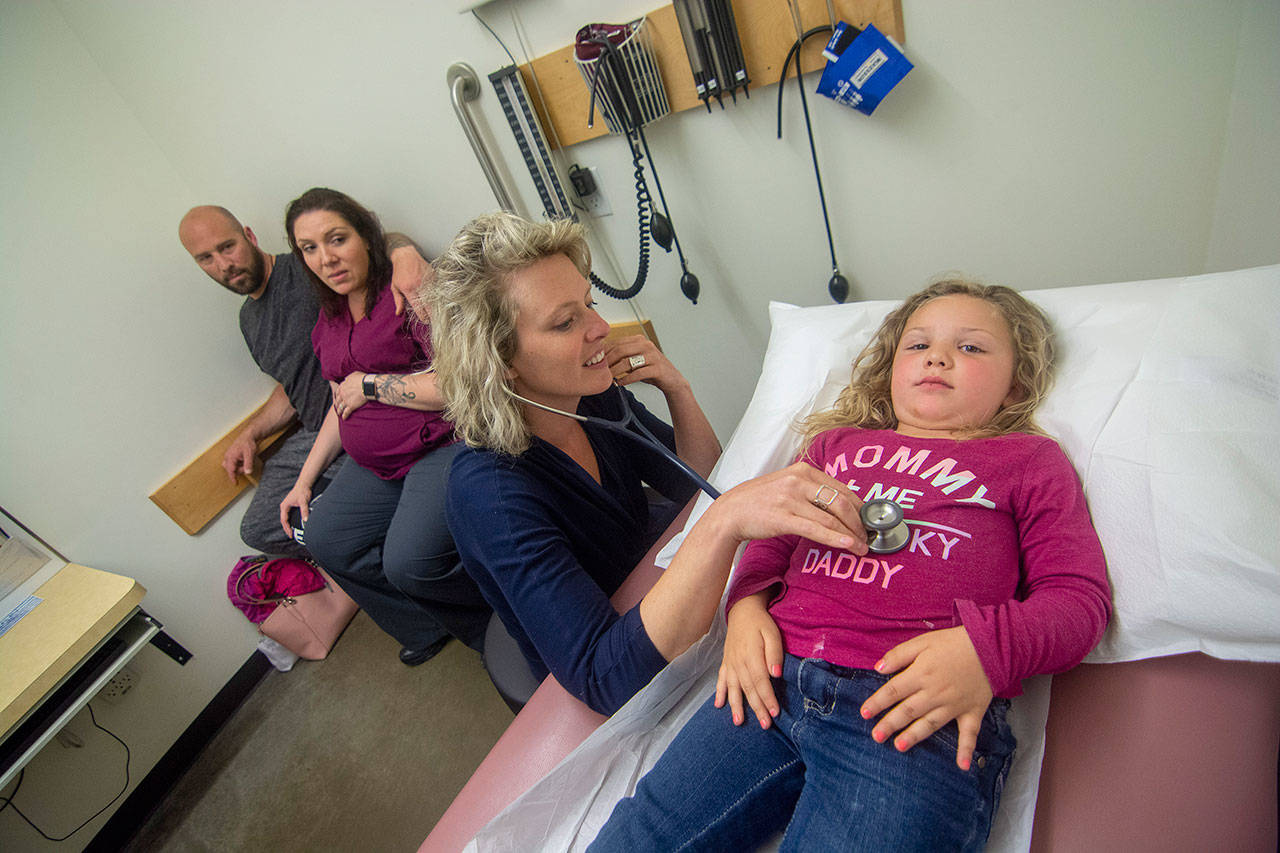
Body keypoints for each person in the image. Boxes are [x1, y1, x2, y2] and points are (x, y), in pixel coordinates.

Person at [590, 280, 1113, 850]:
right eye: (917, 346)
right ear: (890, 367)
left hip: (910, 708)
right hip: (772, 680)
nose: (938, 356)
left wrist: (983, 654)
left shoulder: (1029, 462)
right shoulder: (835, 447)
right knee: (638, 837)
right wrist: (745, 609)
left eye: (971, 348)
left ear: (1015, 386)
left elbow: (1077, 599)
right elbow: (772, 538)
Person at [427, 211, 870, 716]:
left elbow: (695, 486)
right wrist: (725, 521)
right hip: (621, 650)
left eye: (590, 306)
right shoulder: (490, 493)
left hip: (654, 578)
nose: (600, 329)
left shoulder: (590, 398)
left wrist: (676, 388)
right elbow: (602, 675)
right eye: (566, 322)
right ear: (499, 359)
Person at [277, 188, 490, 665]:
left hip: (440, 444)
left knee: (407, 562)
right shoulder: (328, 317)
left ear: (367, 237)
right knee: (327, 539)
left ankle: (495, 627)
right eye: (309, 248)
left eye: (337, 239)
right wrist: (303, 482)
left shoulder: (406, 287)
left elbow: (462, 381)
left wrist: (372, 385)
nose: (326, 258)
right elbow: (340, 402)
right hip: (375, 464)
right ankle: (425, 624)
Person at [177, 205, 430, 560]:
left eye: (227, 247)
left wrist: (404, 252)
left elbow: (373, 241)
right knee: (259, 528)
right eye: (206, 258)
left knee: (329, 529)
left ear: (249, 236)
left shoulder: (307, 269)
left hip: (360, 417)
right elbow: (288, 387)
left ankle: (376, 551)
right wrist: (252, 433)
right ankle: (357, 564)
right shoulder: (249, 320)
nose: (223, 264)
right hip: (315, 431)